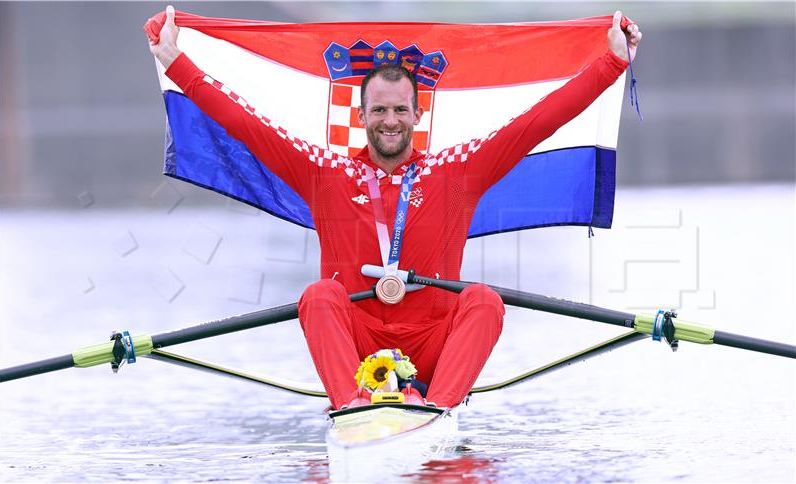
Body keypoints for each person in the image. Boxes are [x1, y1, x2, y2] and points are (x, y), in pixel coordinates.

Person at [147, 6, 642, 410]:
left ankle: (437, 409)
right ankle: (351, 409)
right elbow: (243, 123)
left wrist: (612, 64)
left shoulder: (457, 171)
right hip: (359, 341)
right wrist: (176, 63)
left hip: (432, 348)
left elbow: (538, 121)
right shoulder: (323, 172)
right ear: (360, 116)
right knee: (319, 296)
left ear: (417, 116)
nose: (390, 121)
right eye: (379, 110)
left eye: (400, 110)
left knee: (485, 301)